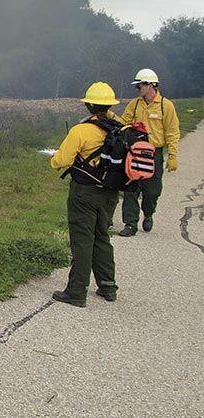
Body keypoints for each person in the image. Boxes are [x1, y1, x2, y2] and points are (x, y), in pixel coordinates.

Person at [48, 82, 121, 307]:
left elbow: (62, 161)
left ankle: (76, 291)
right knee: (101, 236)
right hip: (109, 192)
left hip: (84, 193)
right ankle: (108, 286)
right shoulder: (119, 127)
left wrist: (54, 158)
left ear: (88, 105)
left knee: (82, 240)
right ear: (110, 105)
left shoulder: (81, 130)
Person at [116, 69, 179, 236]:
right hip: (134, 151)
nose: (137, 89)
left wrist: (172, 155)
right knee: (130, 188)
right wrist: (109, 115)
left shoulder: (166, 106)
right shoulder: (135, 104)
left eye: (140, 85)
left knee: (152, 191)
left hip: (153, 153)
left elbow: (172, 131)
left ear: (151, 85)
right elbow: (124, 122)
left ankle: (149, 213)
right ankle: (130, 224)